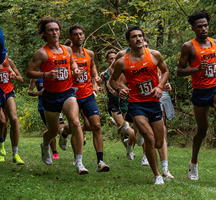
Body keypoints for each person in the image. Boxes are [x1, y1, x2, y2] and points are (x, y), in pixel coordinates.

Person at [177, 9, 216, 180]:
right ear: (193, 29)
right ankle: (194, 162)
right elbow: (179, 71)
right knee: (202, 130)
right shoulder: (188, 47)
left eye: (205, 25)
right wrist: (197, 69)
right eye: (199, 26)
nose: (204, 29)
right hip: (200, 91)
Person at [26, 16, 88, 174]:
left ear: (60, 31)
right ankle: (45, 145)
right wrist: (45, 75)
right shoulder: (41, 53)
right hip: (50, 96)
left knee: (75, 122)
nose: (54, 33)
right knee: (53, 131)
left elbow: (72, 62)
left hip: (67, 92)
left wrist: (74, 69)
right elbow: (29, 73)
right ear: (44, 34)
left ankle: (79, 162)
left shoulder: (67, 49)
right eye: (50, 30)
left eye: (56, 30)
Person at [109, 26, 170, 185]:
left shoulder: (155, 55)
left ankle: (140, 137)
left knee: (158, 142)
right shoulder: (123, 62)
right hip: (136, 104)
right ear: (129, 41)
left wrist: (160, 86)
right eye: (134, 37)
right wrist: (119, 89)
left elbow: (165, 71)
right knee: (149, 139)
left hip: (154, 103)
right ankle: (157, 175)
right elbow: (112, 80)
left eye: (140, 36)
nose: (138, 39)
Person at [59, 25, 110, 172]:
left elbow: (92, 66)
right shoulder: (66, 55)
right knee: (75, 125)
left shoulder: (90, 53)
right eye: (75, 34)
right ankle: (79, 162)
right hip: (71, 95)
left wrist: (95, 78)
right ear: (70, 37)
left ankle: (100, 161)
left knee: (96, 126)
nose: (79, 37)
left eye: (81, 34)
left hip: (87, 94)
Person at [100, 48, 137, 160]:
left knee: (129, 127)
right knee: (125, 127)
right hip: (113, 103)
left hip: (125, 101)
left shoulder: (123, 70)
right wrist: (98, 86)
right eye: (111, 59)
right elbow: (102, 85)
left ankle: (128, 146)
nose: (113, 60)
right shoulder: (104, 74)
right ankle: (119, 127)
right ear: (107, 61)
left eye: (115, 58)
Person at [28, 77, 66, 159]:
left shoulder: (55, 74)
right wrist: (39, 93)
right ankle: (54, 152)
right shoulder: (36, 76)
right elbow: (29, 92)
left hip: (56, 105)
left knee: (61, 129)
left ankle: (58, 140)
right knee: (52, 131)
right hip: (43, 107)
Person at [0, 55, 24, 164]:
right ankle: (1, 146)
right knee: (2, 122)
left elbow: (21, 79)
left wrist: (14, 76)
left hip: (8, 92)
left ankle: (15, 154)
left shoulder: (8, 61)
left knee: (14, 119)